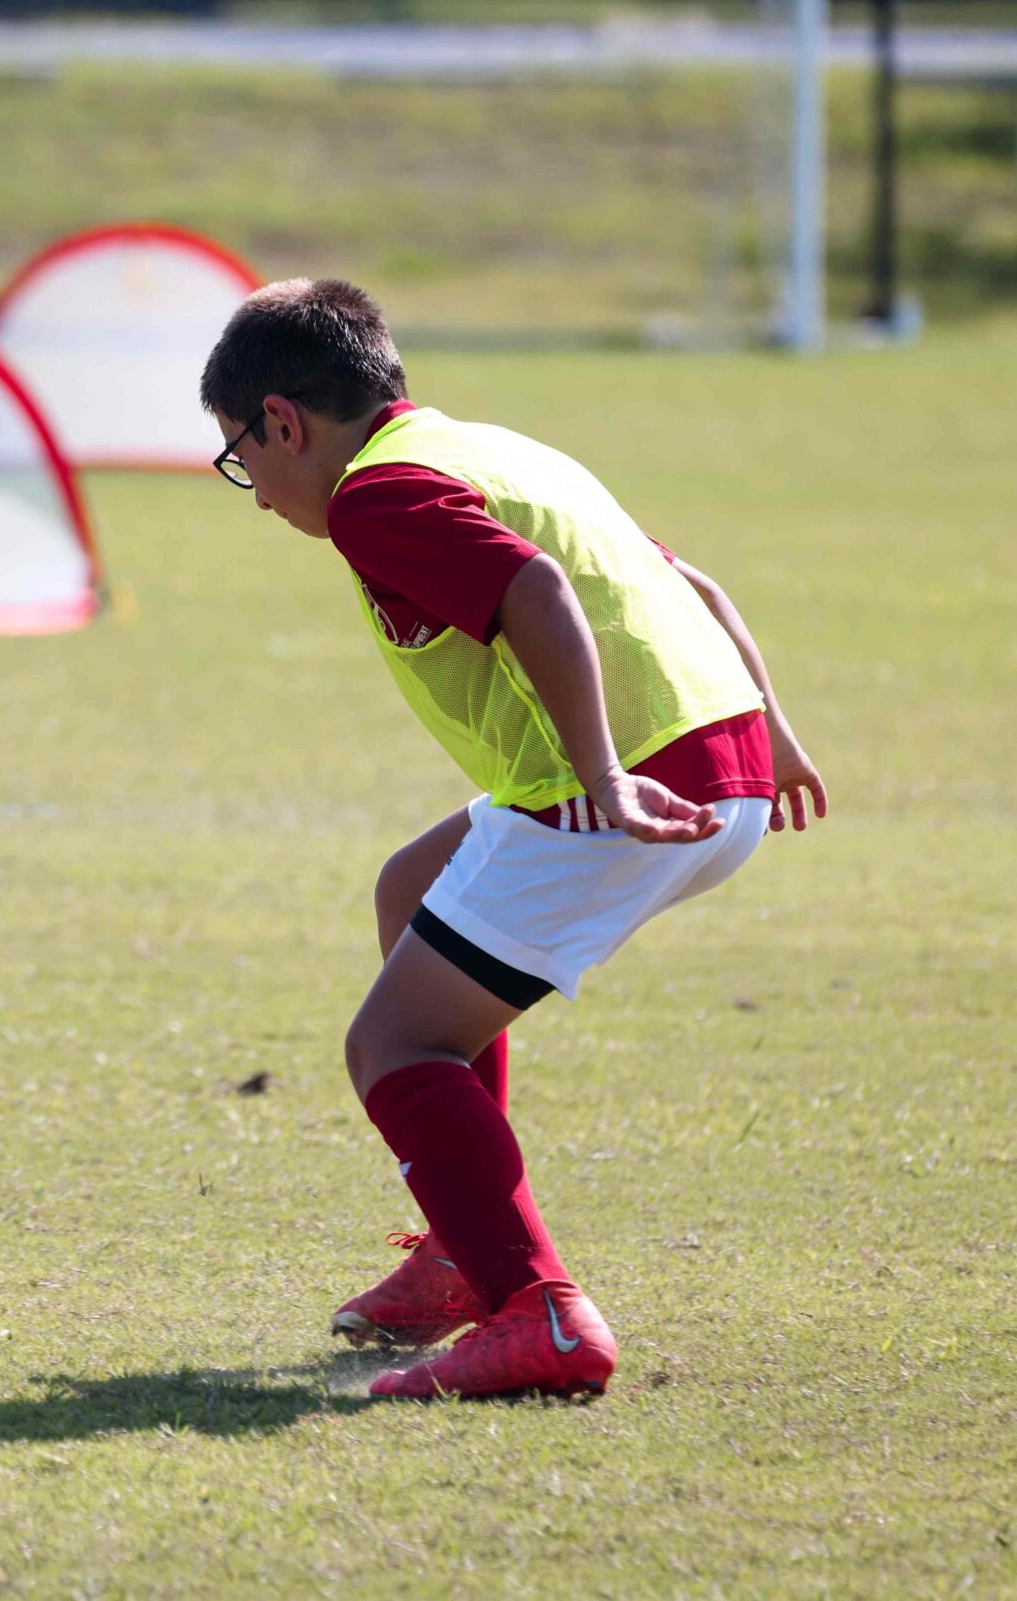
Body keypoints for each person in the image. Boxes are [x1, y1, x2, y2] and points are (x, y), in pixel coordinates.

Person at [198, 280, 827, 1398]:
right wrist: (769, 733)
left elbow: (534, 590)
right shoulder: (488, 448)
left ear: (282, 421)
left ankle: (542, 1312)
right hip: (712, 756)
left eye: (240, 455)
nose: (252, 492)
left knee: (392, 1047)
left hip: (632, 786)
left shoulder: (374, 496)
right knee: (412, 891)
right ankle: (460, 1249)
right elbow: (686, 582)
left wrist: (607, 781)